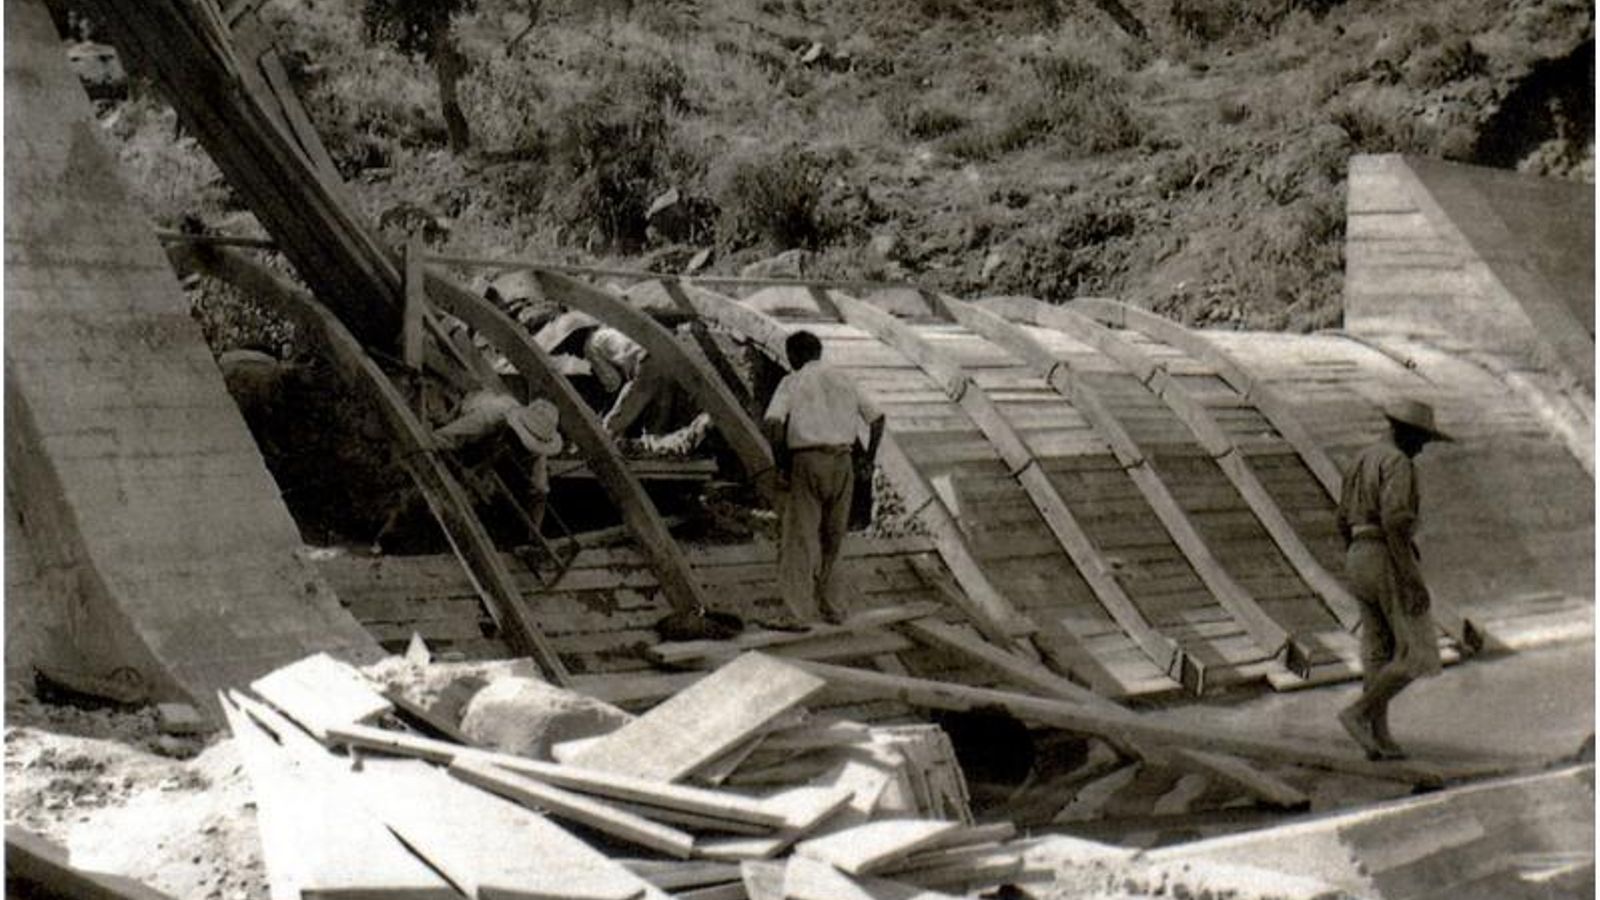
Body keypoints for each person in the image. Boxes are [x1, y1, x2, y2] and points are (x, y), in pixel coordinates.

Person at [1335, 397, 1452, 761]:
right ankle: (1358, 713)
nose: (1422, 447)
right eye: (1421, 439)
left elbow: (1341, 518)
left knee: (1378, 651)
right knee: (1418, 654)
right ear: (1405, 432)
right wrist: (1410, 576)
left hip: (1358, 554)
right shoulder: (1398, 462)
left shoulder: (1360, 459)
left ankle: (1378, 737)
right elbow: (1396, 522)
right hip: (1386, 554)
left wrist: (1357, 554)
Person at [763, 330, 885, 623]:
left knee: (800, 539)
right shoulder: (845, 379)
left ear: (794, 355)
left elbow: (773, 423)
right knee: (834, 537)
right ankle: (834, 608)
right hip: (843, 461)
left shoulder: (793, 380)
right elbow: (878, 418)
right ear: (819, 352)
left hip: (808, 460)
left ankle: (796, 614)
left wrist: (781, 464)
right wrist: (867, 459)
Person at [583, 325, 677, 438]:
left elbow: (613, 382)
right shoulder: (614, 326)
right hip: (666, 354)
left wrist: (606, 404)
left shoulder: (591, 344)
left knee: (614, 424)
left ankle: (600, 443)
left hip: (646, 363)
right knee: (657, 423)